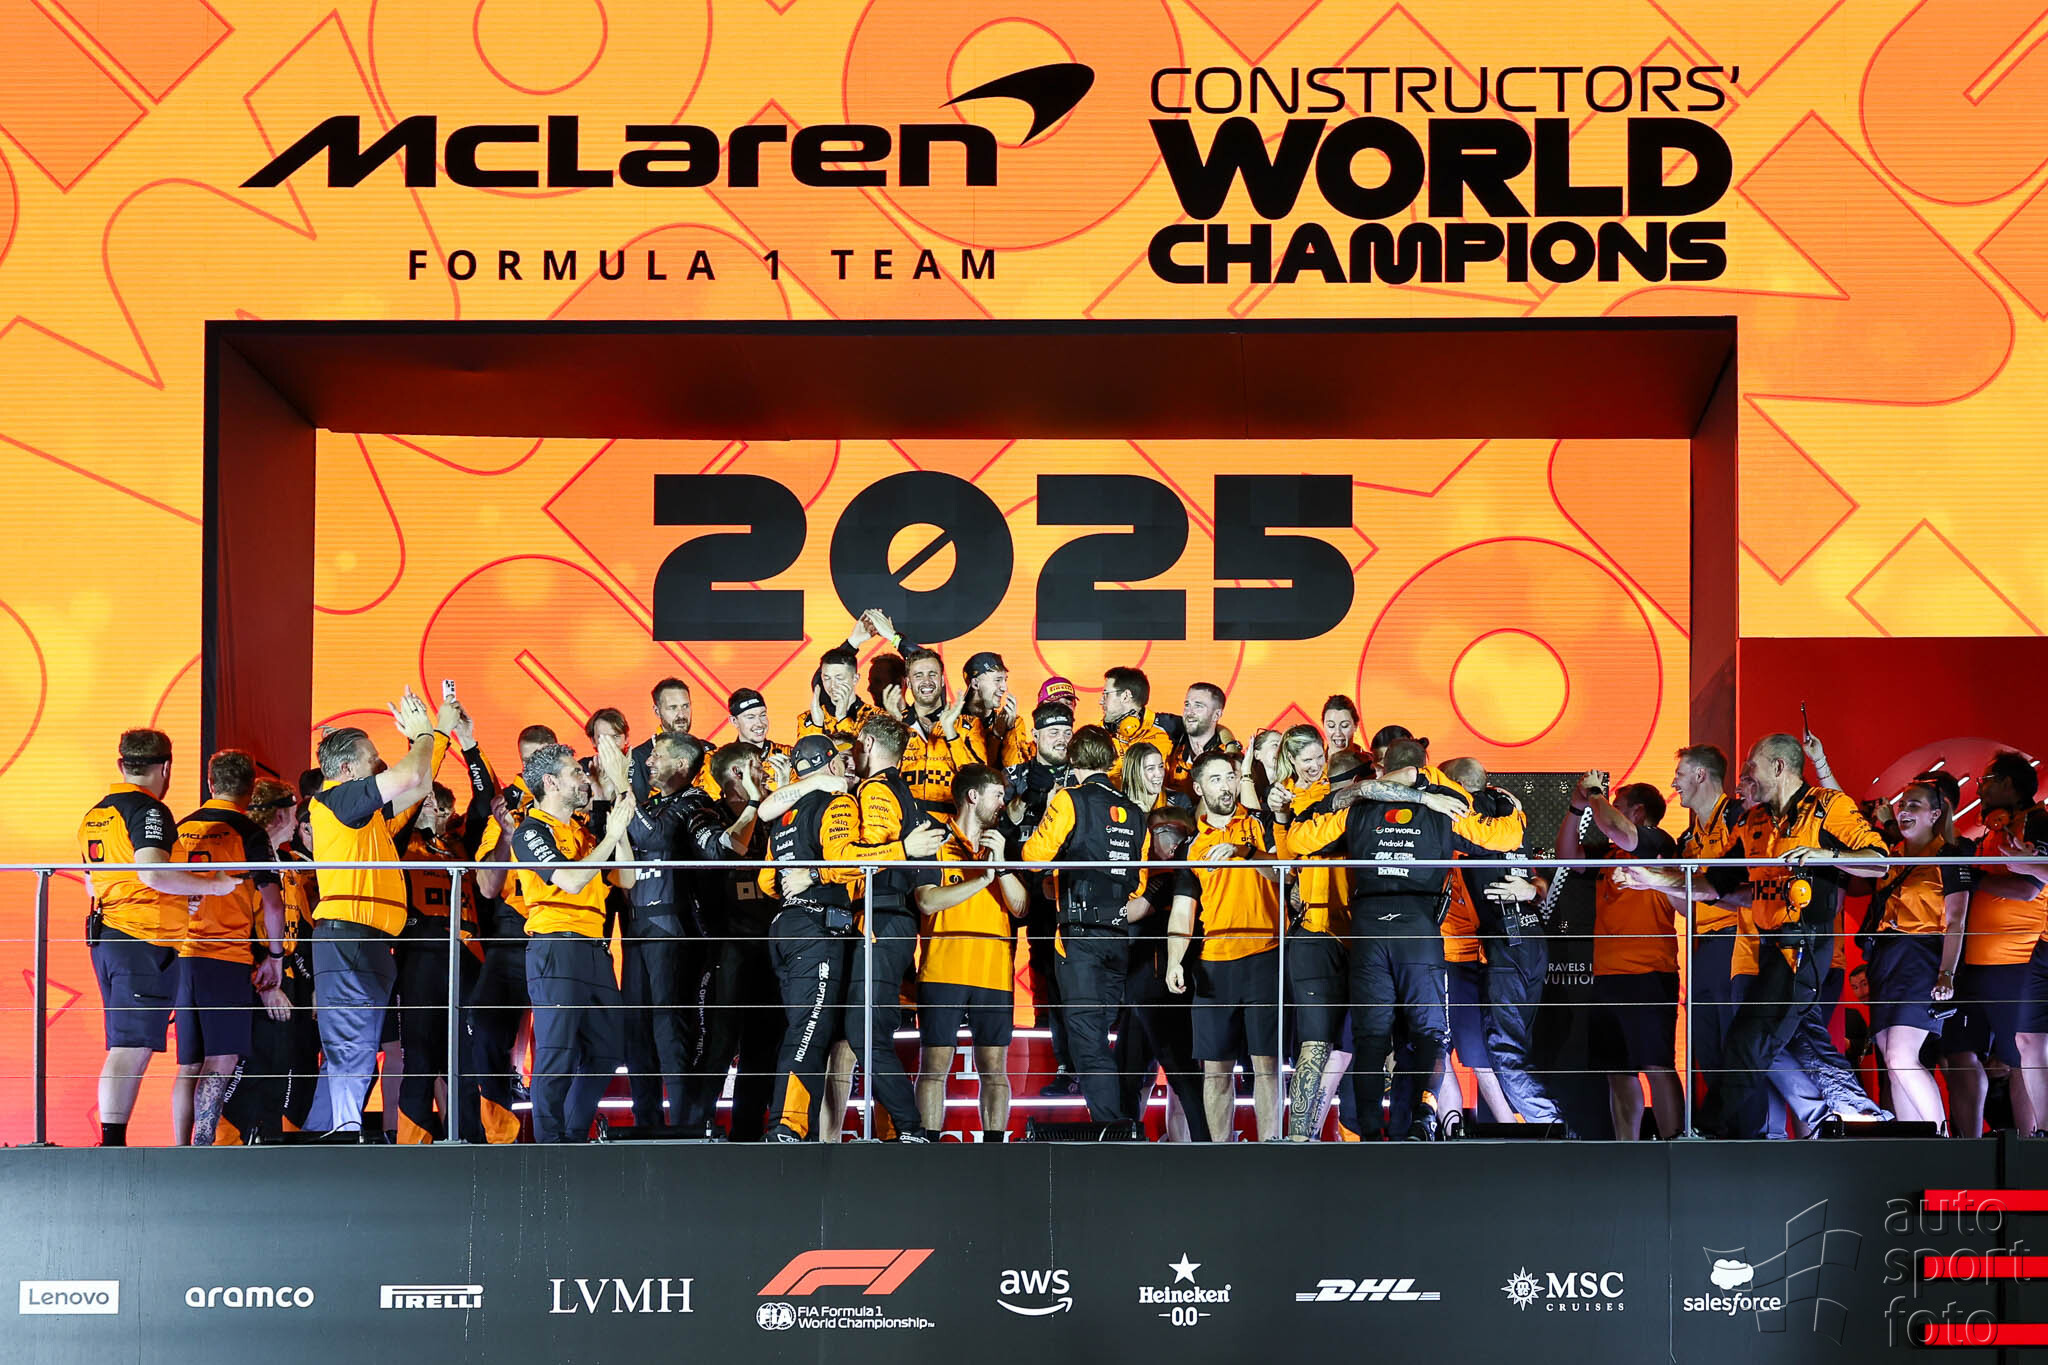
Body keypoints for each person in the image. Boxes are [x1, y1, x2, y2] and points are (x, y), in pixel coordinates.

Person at [1628, 734, 1889, 1139]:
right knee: (1782, 1043)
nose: (1745, 775)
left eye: (1752, 766)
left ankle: (1711, 1132)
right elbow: (1715, 885)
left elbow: (1880, 861)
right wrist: (1654, 879)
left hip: (1806, 944)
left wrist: (1826, 856)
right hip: (1766, 948)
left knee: (1753, 1039)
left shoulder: (1827, 806)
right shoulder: (1755, 822)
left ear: (1779, 767)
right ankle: (1860, 1118)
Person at [1284, 738, 1477, 1140]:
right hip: (1420, 933)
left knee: (1370, 1037)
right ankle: (1423, 1120)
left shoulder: (1357, 809)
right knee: (1429, 1034)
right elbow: (1501, 838)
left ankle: (1370, 1131)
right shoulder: (1446, 809)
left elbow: (1298, 840)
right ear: (1425, 768)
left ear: (1382, 768)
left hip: (1369, 931)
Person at [760, 735, 933, 1142]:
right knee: (812, 1030)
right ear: (832, 765)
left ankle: (798, 1129)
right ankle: (787, 1127)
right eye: (841, 758)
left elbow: (768, 880)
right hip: (818, 929)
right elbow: (849, 859)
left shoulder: (784, 815)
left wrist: (800, 881)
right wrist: (901, 849)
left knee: (817, 1029)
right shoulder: (837, 801)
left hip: (784, 927)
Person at [79, 730, 241, 1146]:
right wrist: (213, 885)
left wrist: (178, 896)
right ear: (166, 767)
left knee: (127, 1043)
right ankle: (112, 1145)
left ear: (122, 764)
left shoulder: (96, 814)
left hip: (113, 935)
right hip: (142, 940)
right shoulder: (149, 809)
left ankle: (112, 1141)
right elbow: (152, 871)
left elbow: (94, 882)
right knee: (130, 1046)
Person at [304, 691, 442, 1136]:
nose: (380, 764)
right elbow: (409, 775)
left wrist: (437, 734)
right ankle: (341, 1138)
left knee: (357, 1048)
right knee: (351, 1047)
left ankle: (325, 1136)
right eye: (372, 759)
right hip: (348, 938)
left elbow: (419, 783)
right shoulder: (340, 799)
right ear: (347, 770)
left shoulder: (362, 811)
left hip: (369, 942)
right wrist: (422, 735)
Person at [1020, 724, 1149, 1125]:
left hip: (1079, 938)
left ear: (1073, 760)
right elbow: (1138, 884)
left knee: (1088, 1040)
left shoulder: (1069, 799)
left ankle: (1111, 1127)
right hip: (1119, 937)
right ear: (1110, 761)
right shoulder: (1135, 812)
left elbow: (1033, 856)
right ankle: (1120, 1120)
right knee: (1099, 1035)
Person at [510, 737, 637, 1143]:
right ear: (550, 782)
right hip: (556, 946)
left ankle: (574, 1133)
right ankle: (550, 1144)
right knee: (557, 1052)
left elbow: (627, 878)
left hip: (596, 950)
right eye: (575, 773)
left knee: (607, 1050)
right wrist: (610, 837)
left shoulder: (583, 831)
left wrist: (618, 830)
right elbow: (569, 879)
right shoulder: (530, 831)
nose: (584, 778)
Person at [1165, 753, 1286, 1141]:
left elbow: (1285, 874)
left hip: (1266, 954)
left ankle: (1271, 1149)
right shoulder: (1191, 846)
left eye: (1230, 777)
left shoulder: (1260, 825)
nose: (1226, 786)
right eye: (1215, 779)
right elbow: (1183, 910)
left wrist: (1243, 852)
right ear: (1199, 788)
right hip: (1215, 963)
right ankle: (1220, 1156)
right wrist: (1174, 961)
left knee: (1267, 1065)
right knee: (1216, 1070)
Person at [171, 750, 287, 1146]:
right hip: (225, 957)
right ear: (251, 788)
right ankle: (203, 1150)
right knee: (221, 1059)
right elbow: (273, 903)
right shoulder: (247, 832)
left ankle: (181, 1151)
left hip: (182, 955)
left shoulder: (180, 827)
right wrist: (275, 957)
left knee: (188, 1064)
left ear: (210, 783)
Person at [392, 707, 496, 1143]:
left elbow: (485, 799)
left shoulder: (459, 843)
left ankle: (471, 1140)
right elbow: (411, 788)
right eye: (426, 800)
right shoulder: (399, 844)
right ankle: (414, 1145)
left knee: (467, 1058)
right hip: (419, 956)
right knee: (420, 1057)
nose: (433, 806)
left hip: (466, 956)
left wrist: (468, 744)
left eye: (438, 803)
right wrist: (426, 740)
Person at [1563, 776, 1683, 1140]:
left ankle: (1674, 1147)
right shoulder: (1608, 854)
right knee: (1617, 1071)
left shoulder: (1658, 842)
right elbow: (1568, 857)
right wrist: (1576, 808)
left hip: (1649, 972)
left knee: (1657, 1065)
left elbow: (1619, 830)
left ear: (1638, 812)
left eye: (1618, 805)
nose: (1609, 811)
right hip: (1606, 975)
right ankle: (1626, 1150)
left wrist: (1595, 794)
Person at [913, 765, 1029, 1138]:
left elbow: (1021, 908)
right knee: (934, 1066)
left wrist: (1000, 866)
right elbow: (927, 901)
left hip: (993, 973)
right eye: (998, 795)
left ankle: (994, 1149)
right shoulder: (934, 840)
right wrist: (981, 880)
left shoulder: (1002, 845)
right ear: (973, 796)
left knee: (995, 1069)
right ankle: (927, 1148)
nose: (1003, 803)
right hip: (943, 968)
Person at [849, 714, 948, 1138]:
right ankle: (904, 1126)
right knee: (866, 1031)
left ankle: (909, 1126)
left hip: (881, 919)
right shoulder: (906, 793)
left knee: (865, 1033)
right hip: (893, 922)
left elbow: (870, 855)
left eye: (856, 744)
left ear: (869, 744)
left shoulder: (875, 790)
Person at [1948, 751, 2048, 1134]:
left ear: (2008, 783)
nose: (1980, 790)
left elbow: (2028, 887)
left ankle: (2029, 1150)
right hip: (1975, 962)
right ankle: (1968, 1151)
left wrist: (1974, 879)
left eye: (1986, 781)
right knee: (1958, 1052)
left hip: (2017, 959)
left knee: (2022, 1057)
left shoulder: (2038, 822)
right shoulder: (1992, 829)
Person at [1861, 781, 1969, 1128]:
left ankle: (1942, 1140)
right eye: (1901, 804)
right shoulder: (1890, 855)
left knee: (1901, 1057)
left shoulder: (1949, 855)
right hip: (1885, 959)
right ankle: (1918, 1146)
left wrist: (1946, 973)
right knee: (1893, 1064)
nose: (1903, 811)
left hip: (1923, 957)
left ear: (1935, 814)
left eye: (1914, 805)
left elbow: (1957, 919)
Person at [1003, 701, 1081, 1097]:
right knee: (1001, 960)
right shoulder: (1015, 773)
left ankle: (1064, 1062)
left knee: (1055, 971)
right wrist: (1027, 796)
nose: (1061, 738)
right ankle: (997, 1033)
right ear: (1034, 736)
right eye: (1052, 732)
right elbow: (1003, 819)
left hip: (1059, 886)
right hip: (1016, 879)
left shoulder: (1080, 776)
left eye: (1067, 731)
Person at [1671, 745, 1744, 1111]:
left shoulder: (1739, 817)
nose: (1674, 783)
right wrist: (1661, 881)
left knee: (1736, 1044)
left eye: (1680, 775)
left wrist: (1707, 892)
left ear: (1701, 774)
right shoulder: (1687, 839)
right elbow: (1688, 905)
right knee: (1706, 1045)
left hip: (1739, 941)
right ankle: (1724, 1126)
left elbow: (1750, 893)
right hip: (1703, 944)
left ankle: (1757, 1131)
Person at [894, 646, 975, 814]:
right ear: (908, 683)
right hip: (906, 820)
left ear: (943, 680)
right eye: (918, 675)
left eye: (932, 674)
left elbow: (977, 781)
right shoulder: (896, 724)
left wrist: (950, 732)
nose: (926, 681)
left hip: (952, 821)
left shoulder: (970, 725)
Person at [959, 651, 1031, 770]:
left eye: (1005, 680)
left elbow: (1016, 773)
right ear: (975, 684)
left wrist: (1010, 731)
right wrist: (996, 736)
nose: (1004, 687)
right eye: (997, 680)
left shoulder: (1013, 722)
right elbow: (973, 772)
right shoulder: (952, 723)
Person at [630, 677, 694, 802]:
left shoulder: (707, 751)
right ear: (657, 711)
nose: (681, 714)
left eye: (685, 706)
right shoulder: (638, 758)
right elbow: (635, 807)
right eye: (673, 707)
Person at [798, 644, 878, 743]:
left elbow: (861, 751)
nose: (833, 685)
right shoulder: (807, 718)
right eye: (827, 678)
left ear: (855, 679)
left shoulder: (875, 718)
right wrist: (817, 725)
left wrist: (842, 718)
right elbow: (807, 752)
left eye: (839, 678)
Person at [1166, 682, 1234, 794]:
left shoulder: (1228, 759)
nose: (1189, 712)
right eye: (1187, 704)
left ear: (1216, 715)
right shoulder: (1169, 740)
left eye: (1198, 706)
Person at [1102, 666, 1172, 760]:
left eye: (1106, 694)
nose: (1100, 701)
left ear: (1125, 696)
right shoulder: (1098, 735)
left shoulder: (1171, 728)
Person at [1322, 696, 1365, 766]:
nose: (1338, 733)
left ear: (1356, 725)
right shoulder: (1316, 765)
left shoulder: (1370, 763)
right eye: (1331, 726)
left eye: (1344, 725)